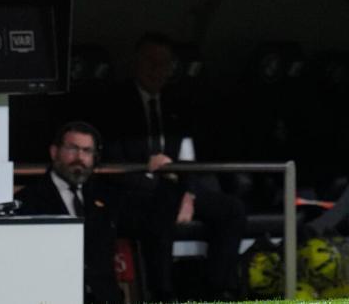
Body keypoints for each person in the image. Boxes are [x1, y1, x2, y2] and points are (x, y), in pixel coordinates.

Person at [99, 35, 247, 301]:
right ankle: (163, 294)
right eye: (150, 62)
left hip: (178, 187)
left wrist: (189, 194)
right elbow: (111, 159)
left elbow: (188, 157)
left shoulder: (179, 102)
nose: (157, 69)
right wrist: (148, 169)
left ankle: (214, 289)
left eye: (164, 63)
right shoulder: (114, 103)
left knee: (231, 209)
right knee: (162, 206)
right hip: (134, 192)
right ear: (136, 63)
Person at [16, 122, 183, 304]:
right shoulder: (29, 200)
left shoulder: (105, 196)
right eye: (73, 148)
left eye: (87, 151)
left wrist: (168, 182)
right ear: (54, 152)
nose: (80, 157)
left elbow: (152, 223)